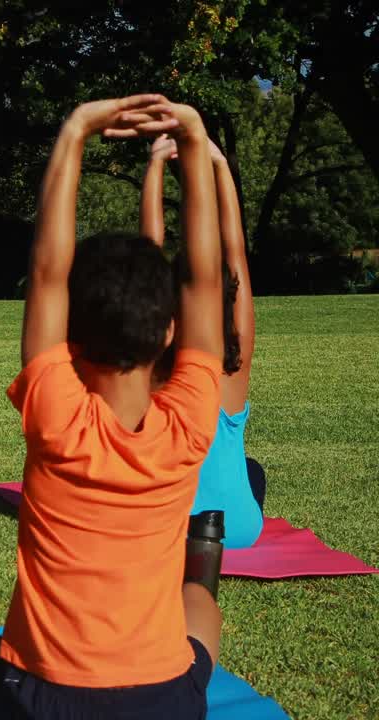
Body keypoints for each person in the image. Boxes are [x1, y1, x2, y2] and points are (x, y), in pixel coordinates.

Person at [0, 95, 226, 718]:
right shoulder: (189, 421)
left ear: (71, 334)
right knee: (201, 602)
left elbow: (48, 270)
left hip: (43, 702)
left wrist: (76, 129)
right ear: (168, 334)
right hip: (165, 704)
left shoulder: (57, 416)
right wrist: (192, 137)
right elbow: (204, 282)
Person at [142, 134, 264, 548]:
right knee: (252, 469)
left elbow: (147, 253)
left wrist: (156, 165)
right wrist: (220, 167)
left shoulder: (156, 362)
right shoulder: (234, 363)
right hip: (240, 530)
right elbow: (236, 255)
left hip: (170, 528)